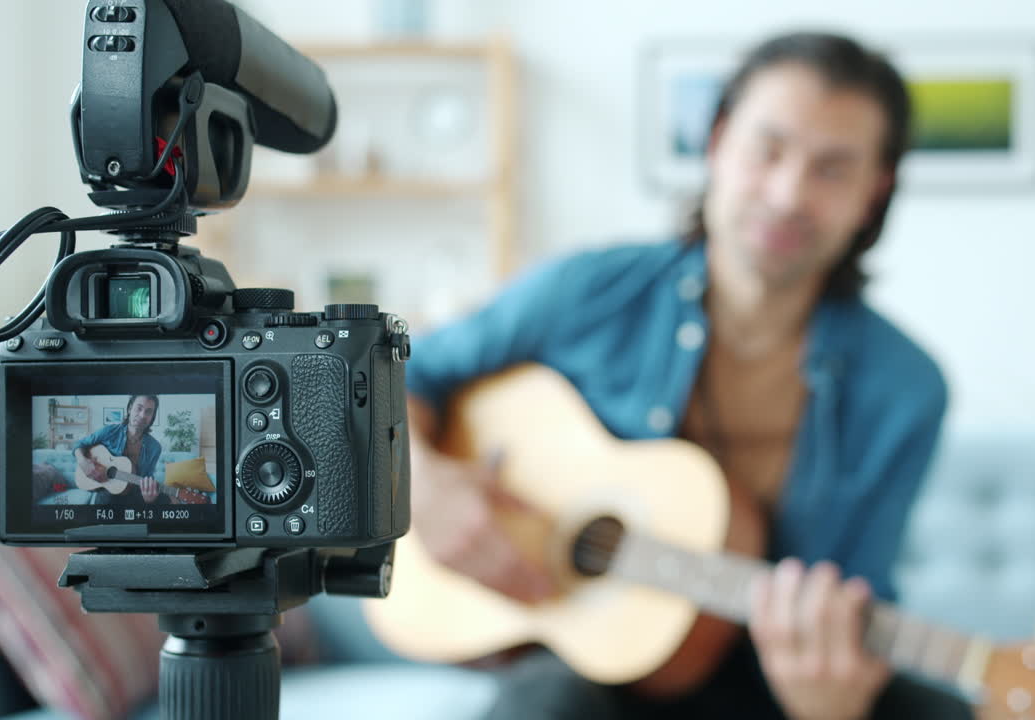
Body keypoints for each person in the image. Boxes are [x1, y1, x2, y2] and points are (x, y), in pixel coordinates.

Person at [405, 31, 972, 720]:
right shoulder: (587, 291)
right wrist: (420, 483)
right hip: (577, 659)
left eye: (832, 169)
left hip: (767, 675)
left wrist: (830, 702)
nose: (788, 194)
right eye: (768, 150)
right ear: (719, 143)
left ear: (873, 192)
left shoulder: (906, 390)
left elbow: (859, 596)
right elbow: (395, 374)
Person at [72, 394, 169, 505]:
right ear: (130, 408)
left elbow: (148, 477)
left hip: (135, 492)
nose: (142, 415)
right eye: (139, 408)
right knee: (108, 499)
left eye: (148, 412)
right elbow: (79, 444)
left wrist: (149, 496)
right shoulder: (110, 431)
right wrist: (83, 461)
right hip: (107, 491)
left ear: (152, 417)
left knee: (165, 500)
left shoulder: (155, 447)